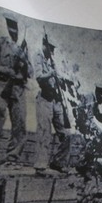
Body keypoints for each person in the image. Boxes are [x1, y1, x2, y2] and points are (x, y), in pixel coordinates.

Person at [0, 16, 32, 165]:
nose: (14, 31)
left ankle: (12, 158)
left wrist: (24, 64)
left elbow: (30, 71)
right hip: (2, 85)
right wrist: (6, 71)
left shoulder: (24, 48)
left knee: (20, 123)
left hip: (18, 88)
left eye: (16, 28)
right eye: (11, 27)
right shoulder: (1, 43)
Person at [33, 35, 71, 174]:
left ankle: (58, 162)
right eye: (50, 48)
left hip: (56, 101)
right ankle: (40, 165)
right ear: (45, 45)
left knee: (66, 134)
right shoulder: (38, 57)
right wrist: (51, 73)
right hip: (44, 99)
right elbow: (39, 77)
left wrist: (62, 80)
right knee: (44, 132)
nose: (52, 51)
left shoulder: (52, 61)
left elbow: (59, 78)